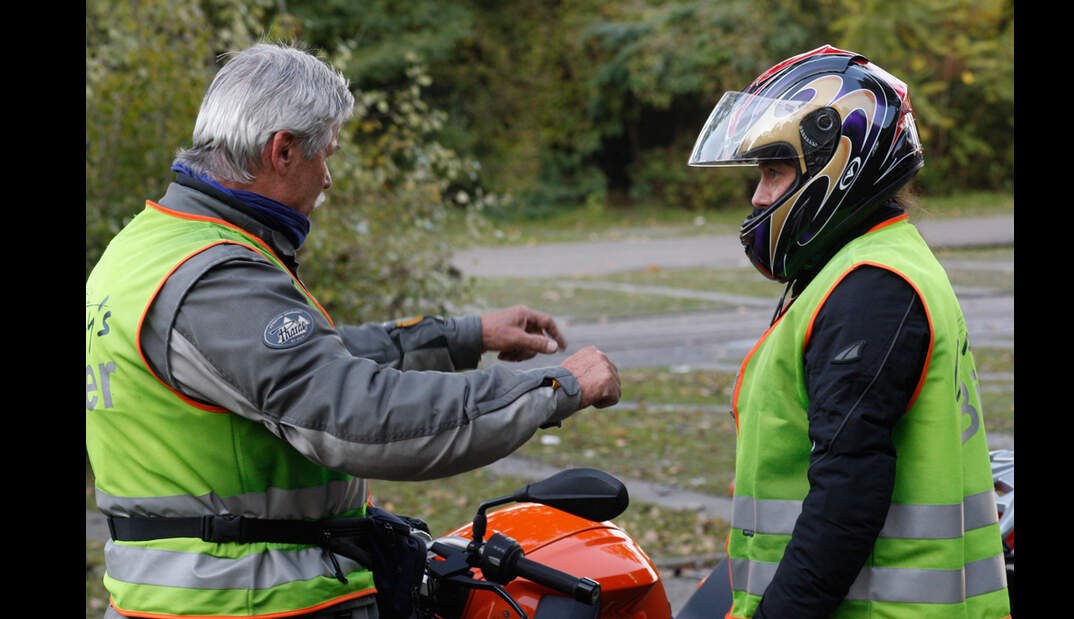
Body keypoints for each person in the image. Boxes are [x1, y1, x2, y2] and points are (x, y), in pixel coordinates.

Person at [85, 42, 621, 619]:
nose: (330, 178)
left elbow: (303, 367)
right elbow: (357, 416)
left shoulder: (147, 248)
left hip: (173, 598)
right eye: (327, 155)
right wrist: (555, 387)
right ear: (283, 151)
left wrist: (467, 335)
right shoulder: (220, 278)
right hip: (254, 602)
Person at [685, 45, 1011, 617]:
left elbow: (846, 499)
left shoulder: (872, 288)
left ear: (841, 165)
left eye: (774, 171)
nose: (759, 196)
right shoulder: (867, 265)